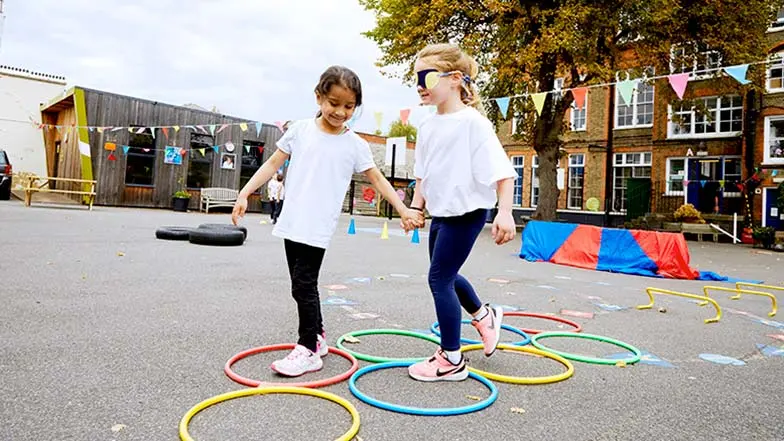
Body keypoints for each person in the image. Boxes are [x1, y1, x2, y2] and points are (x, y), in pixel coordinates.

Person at [232, 65, 423, 377]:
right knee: (300, 285)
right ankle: (317, 339)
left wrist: (403, 211)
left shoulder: (355, 145)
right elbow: (272, 164)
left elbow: (378, 180)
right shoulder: (300, 131)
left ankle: (307, 348)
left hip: (317, 224)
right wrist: (245, 193)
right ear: (319, 97)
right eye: (334, 103)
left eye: (349, 106)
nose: (340, 112)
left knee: (304, 284)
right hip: (292, 220)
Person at [405, 43, 517, 382]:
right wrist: (415, 206)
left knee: (438, 278)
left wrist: (505, 213)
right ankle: (484, 316)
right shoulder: (426, 126)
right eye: (416, 79)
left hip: (468, 212)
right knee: (446, 275)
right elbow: (422, 173)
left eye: (426, 76)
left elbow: (503, 172)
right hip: (442, 213)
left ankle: (451, 359)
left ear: (454, 79)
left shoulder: (473, 123)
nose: (420, 85)